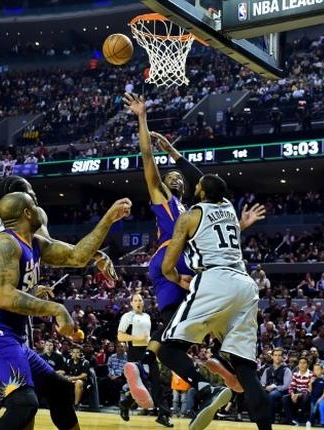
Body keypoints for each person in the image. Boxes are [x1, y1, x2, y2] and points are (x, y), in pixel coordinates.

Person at [122, 93, 264, 427]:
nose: (173, 177)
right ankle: (197, 380)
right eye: (168, 175)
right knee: (171, 335)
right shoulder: (164, 201)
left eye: (178, 177)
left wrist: (239, 226)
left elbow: (214, 226)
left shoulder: (194, 211)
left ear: (190, 189)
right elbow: (147, 157)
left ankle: (211, 373)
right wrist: (142, 118)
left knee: (177, 335)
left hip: (196, 273)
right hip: (170, 264)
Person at [0, 176, 116, 430]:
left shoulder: (27, 236)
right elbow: (5, 294)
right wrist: (56, 308)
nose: (38, 201)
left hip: (10, 325)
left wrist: (108, 220)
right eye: (32, 196)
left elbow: (73, 255)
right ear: (25, 209)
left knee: (54, 391)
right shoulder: (6, 237)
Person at [157, 173, 272, 430]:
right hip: (244, 284)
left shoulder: (188, 216)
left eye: (197, 185)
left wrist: (178, 279)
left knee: (167, 348)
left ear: (199, 192)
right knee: (245, 368)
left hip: (214, 280)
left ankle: (205, 389)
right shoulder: (228, 207)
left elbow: (167, 266)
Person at [116, 293, 152, 421]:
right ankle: (126, 403)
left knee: (147, 382)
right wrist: (138, 338)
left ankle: (126, 403)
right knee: (140, 382)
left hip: (147, 351)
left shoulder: (147, 316)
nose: (138, 302)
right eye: (135, 300)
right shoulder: (127, 316)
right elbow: (120, 337)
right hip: (134, 351)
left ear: (143, 302)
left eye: (140, 300)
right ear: (131, 303)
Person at [261, 348, 293, 418]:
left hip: (281, 391)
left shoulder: (286, 370)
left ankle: (270, 418)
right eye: (275, 355)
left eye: (279, 355)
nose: (277, 357)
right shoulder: (267, 369)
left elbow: (286, 386)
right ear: (272, 356)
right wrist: (265, 387)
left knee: (272, 395)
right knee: (257, 394)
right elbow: (262, 383)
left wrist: (275, 387)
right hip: (268, 389)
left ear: (282, 357)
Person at [283, 357, 313, 425]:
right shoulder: (295, 374)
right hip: (296, 394)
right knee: (285, 398)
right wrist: (292, 394)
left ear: (308, 365)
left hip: (306, 395)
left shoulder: (311, 374)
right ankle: (291, 420)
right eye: (300, 363)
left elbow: (309, 390)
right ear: (298, 365)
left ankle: (300, 418)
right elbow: (291, 387)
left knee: (306, 397)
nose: (302, 365)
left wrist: (299, 395)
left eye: (304, 363)